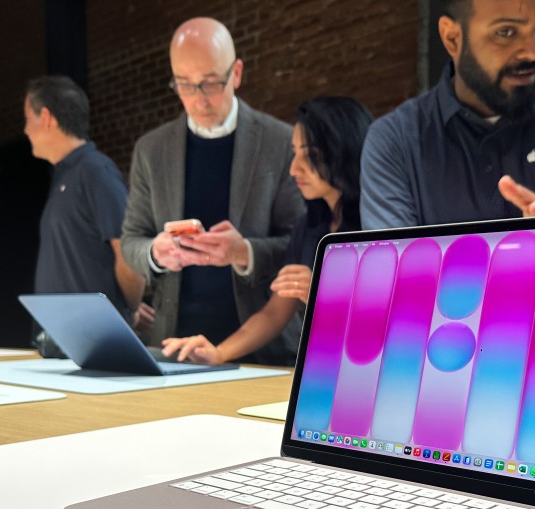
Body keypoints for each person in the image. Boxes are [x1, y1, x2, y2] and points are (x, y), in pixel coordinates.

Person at [120, 17, 305, 366]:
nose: (198, 99)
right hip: (175, 343)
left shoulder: (278, 141)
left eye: (209, 84)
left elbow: (298, 244)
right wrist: (155, 253)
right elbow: (130, 241)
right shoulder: (151, 149)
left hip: (261, 346)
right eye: (184, 85)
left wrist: (244, 252)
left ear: (236, 73)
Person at [360, 0, 535, 230]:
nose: (533, 51)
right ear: (452, 38)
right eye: (506, 32)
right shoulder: (395, 141)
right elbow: (399, 278)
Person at [161, 96, 373, 364]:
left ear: (344, 150)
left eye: (310, 155)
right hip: (321, 368)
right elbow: (274, 313)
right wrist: (217, 353)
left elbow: (393, 318)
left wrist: (329, 293)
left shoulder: (377, 225)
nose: (294, 169)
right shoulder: (308, 228)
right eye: (294, 152)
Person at [23, 75, 149, 336]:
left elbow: (128, 254)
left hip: (92, 338)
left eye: (27, 119)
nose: (25, 130)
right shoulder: (66, 175)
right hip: (62, 340)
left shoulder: (95, 171)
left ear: (46, 117)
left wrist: (129, 309)